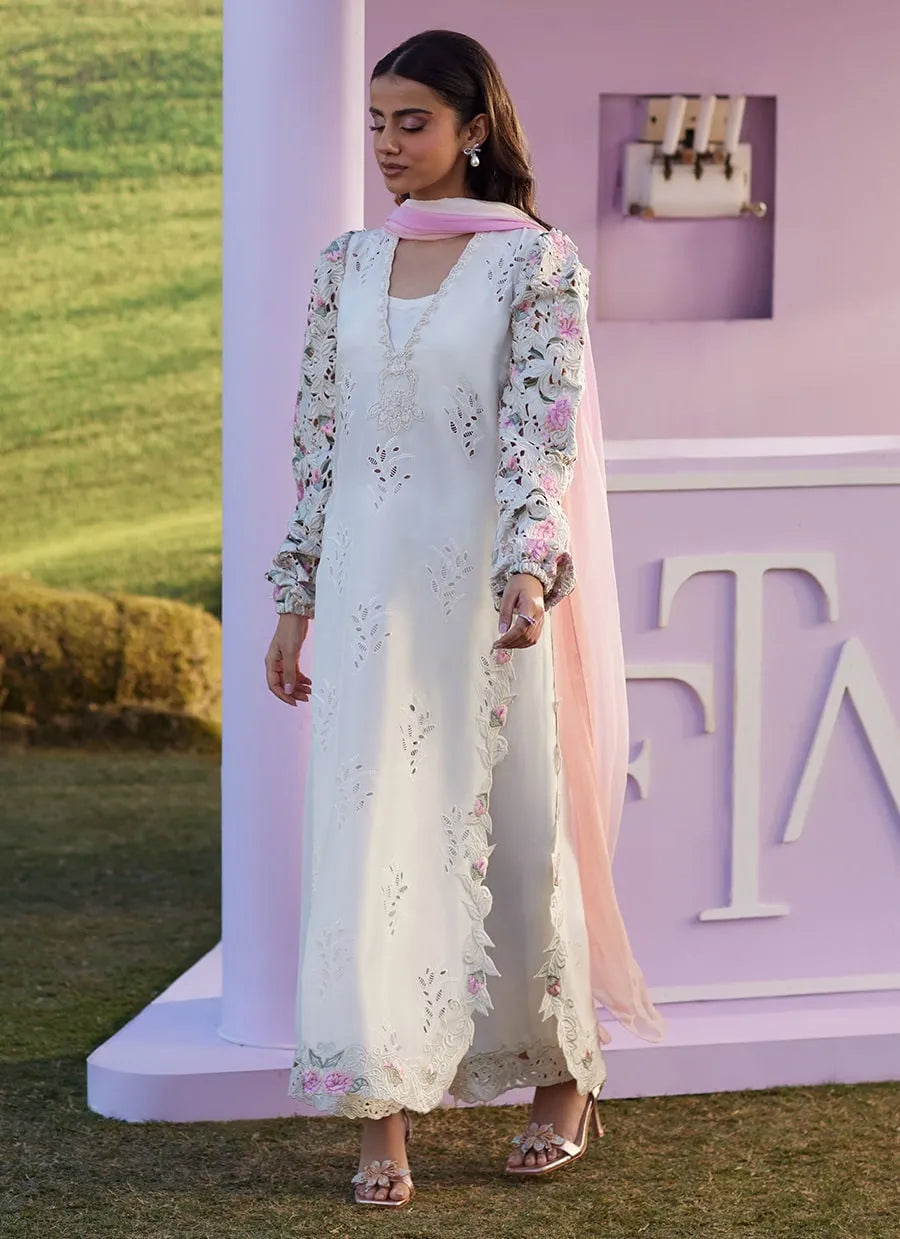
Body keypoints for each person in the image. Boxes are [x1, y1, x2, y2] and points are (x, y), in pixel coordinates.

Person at [264, 28, 664, 1208]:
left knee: (521, 832)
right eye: (377, 124)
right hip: (362, 593)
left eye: (414, 123)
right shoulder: (346, 264)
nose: (390, 147)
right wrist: (294, 597)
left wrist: (533, 574)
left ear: (473, 129)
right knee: (368, 845)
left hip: (490, 597)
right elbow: (318, 448)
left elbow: (542, 435)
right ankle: (380, 1117)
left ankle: (559, 1082)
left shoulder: (535, 266)